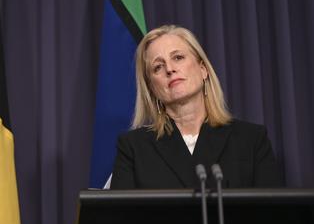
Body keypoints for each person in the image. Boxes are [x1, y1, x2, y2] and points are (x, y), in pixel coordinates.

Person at [110, 24, 282, 189]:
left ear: (203, 69)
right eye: (158, 67)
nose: (169, 69)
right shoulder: (133, 148)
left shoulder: (251, 140)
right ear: (152, 88)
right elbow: (121, 218)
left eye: (178, 57)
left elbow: (273, 215)